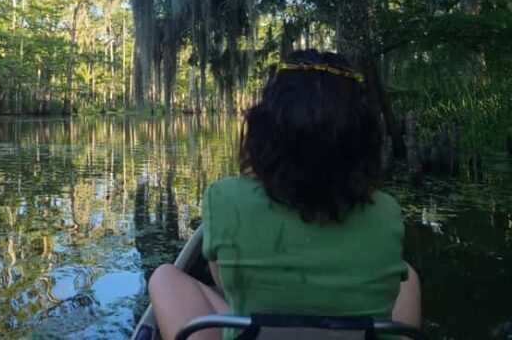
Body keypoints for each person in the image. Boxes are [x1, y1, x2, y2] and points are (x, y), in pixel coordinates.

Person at [148, 49, 421, 340]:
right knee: (407, 276)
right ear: (362, 135)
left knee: (165, 276)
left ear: (265, 127)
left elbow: (227, 286)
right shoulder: (386, 210)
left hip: (256, 332)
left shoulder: (225, 198)